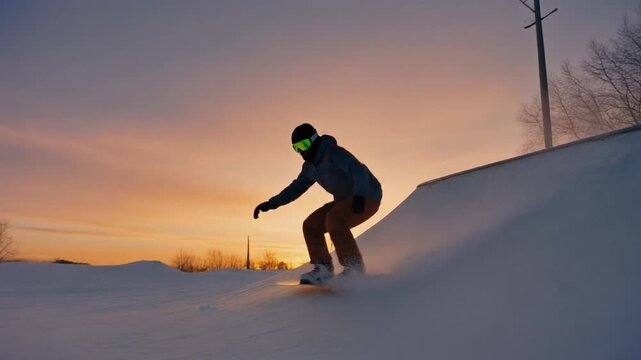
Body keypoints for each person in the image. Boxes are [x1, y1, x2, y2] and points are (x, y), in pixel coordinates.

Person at [253, 123, 382, 284]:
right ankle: (323, 269)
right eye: (296, 148)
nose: (301, 151)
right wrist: (271, 204)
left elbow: (358, 169)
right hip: (344, 200)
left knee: (334, 219)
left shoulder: (333, 153)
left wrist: (360, 194)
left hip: (368, 196)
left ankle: (354, 268)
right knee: (311, 225)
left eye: (304, 145)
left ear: (314, 140)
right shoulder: (309, 167)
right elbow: (296, 188)